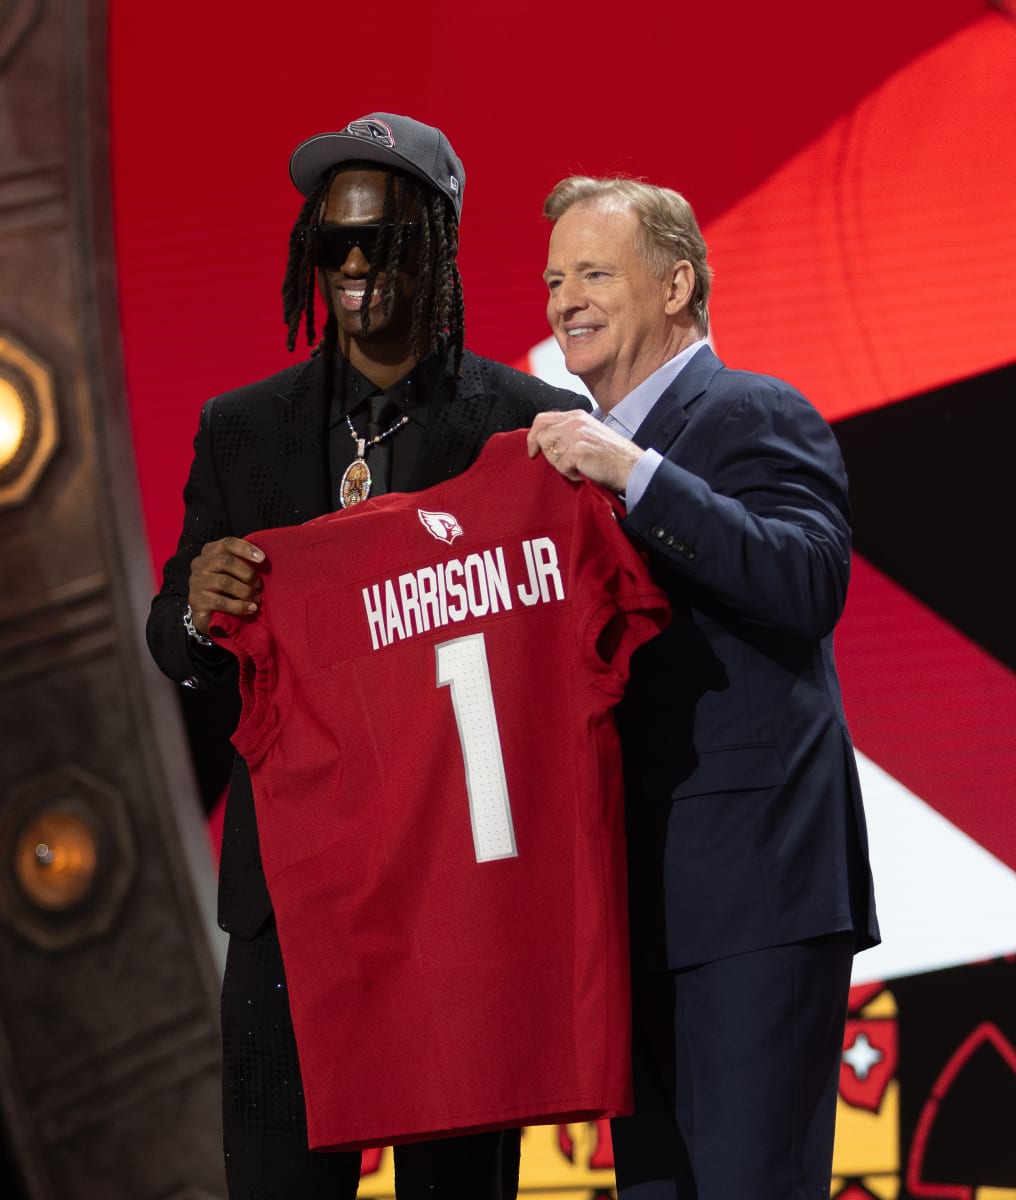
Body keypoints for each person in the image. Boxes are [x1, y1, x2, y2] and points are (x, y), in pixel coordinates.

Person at [144, 111, 583, 1200]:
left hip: (460, 914)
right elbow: (172, 637)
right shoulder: (241, 429)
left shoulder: (527, 430)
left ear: (435, 247)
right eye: (332, 243)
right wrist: (199, 610)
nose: (351, 266)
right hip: (291, 908)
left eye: (379, 241)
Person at [526, 176, 880, 1200]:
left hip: (756, 899)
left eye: (594, 272)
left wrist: (635, 475)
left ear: (677, 282)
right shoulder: (558, 468)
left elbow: (807, 581)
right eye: (554, 279)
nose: (564, 301)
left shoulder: (753, 411)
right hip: (629, 904)